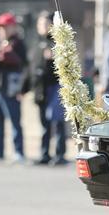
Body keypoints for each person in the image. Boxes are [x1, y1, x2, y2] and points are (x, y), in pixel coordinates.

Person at [0, 12, 28, 163]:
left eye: (6, 27)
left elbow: (24, 65)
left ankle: (19, 152)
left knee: (15, 121)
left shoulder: (19, 43)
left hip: (11, 89)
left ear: (13, 27)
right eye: (1, 27)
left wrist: (22, 89)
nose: (3, 30)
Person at [28, 11, 67, 165]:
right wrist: (24, 88)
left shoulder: (57, 43)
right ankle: (45, 154)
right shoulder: (36, 44)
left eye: (44, 24)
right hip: (40, 89)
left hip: (54, 87)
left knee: (57, 122)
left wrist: (54, 57)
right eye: (39, 24)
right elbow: (30, 68)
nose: (41, 27)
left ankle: (60, 154)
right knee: (44, 124)